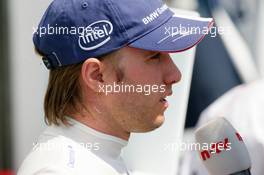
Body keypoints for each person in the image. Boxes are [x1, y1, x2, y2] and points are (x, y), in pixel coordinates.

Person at [18, 0, 213, 174]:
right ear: (97, 76)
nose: (175, 75)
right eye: (154, 56)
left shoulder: (99, 157)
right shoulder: (59, 170)